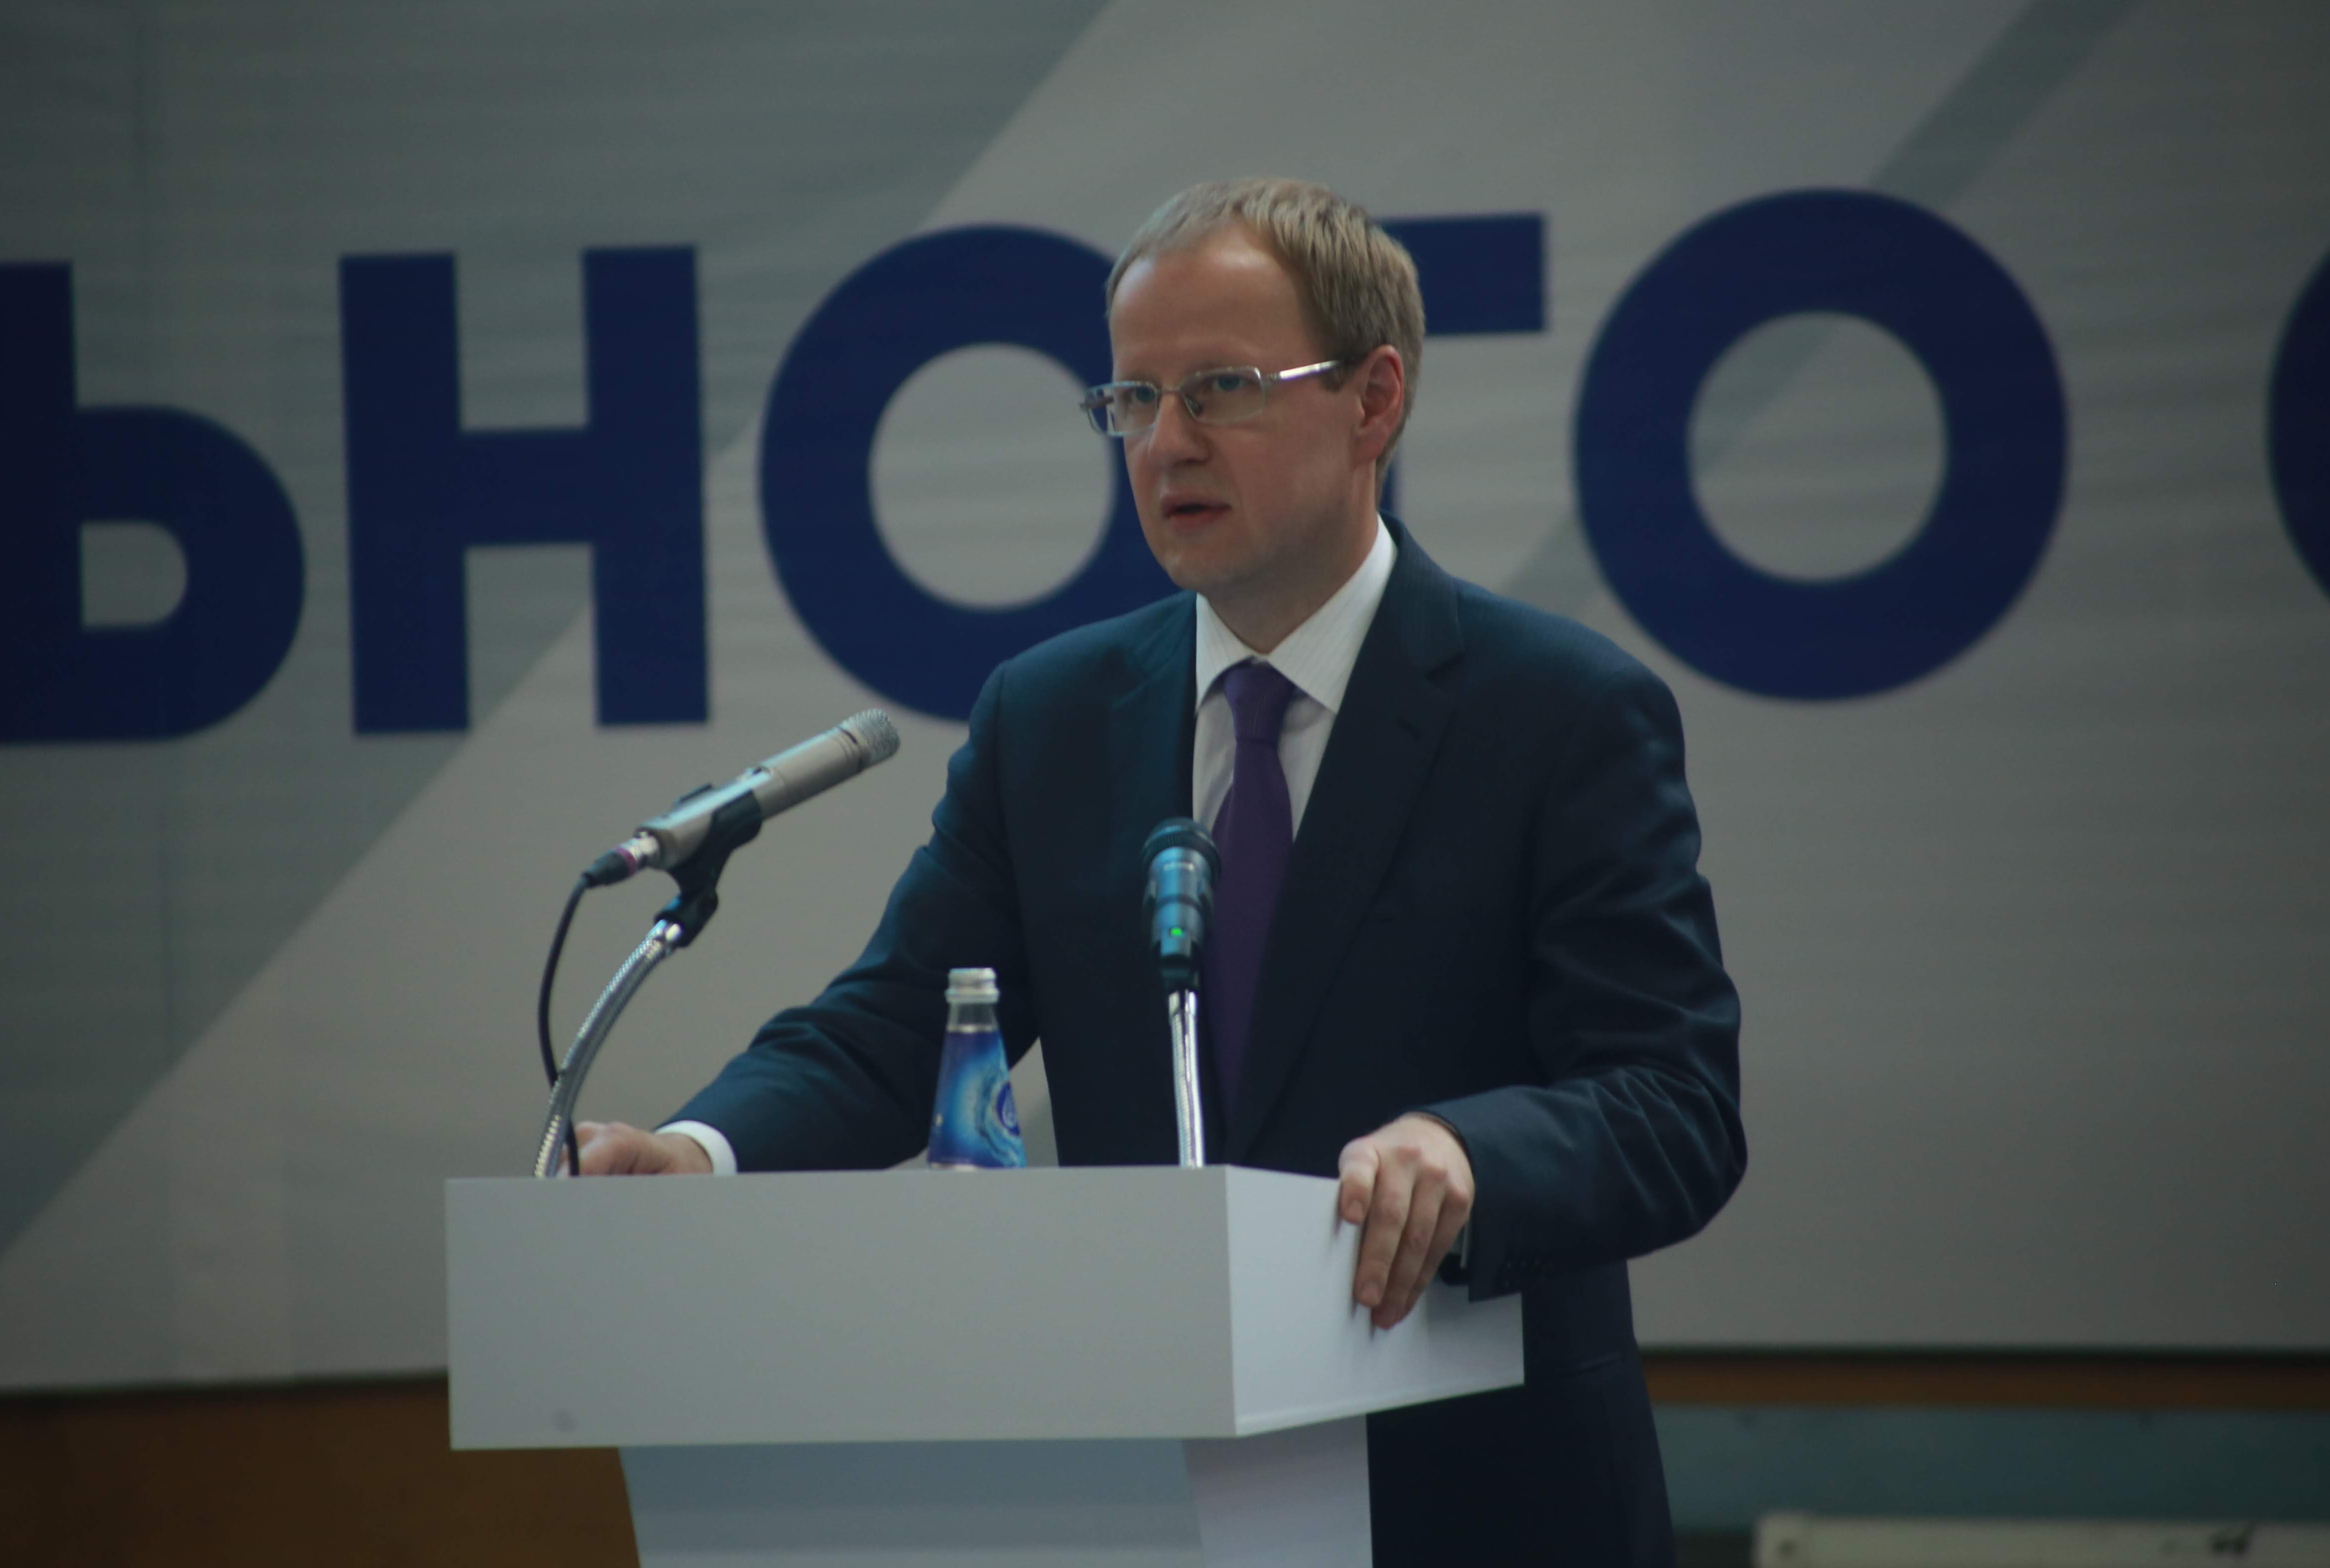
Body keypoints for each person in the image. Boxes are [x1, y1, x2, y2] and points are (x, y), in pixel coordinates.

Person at [578, 178, 1744, 1564]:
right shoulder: (1052, 717)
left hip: (1477, 1496)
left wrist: (1470, 1153)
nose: (1165, 443)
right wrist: (699, 1154)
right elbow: (894, 1026)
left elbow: (1674, 1101)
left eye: (1221, 390)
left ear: (1373, 402)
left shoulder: (1555, 712)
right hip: (1144, 1493)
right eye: (1132, 400)